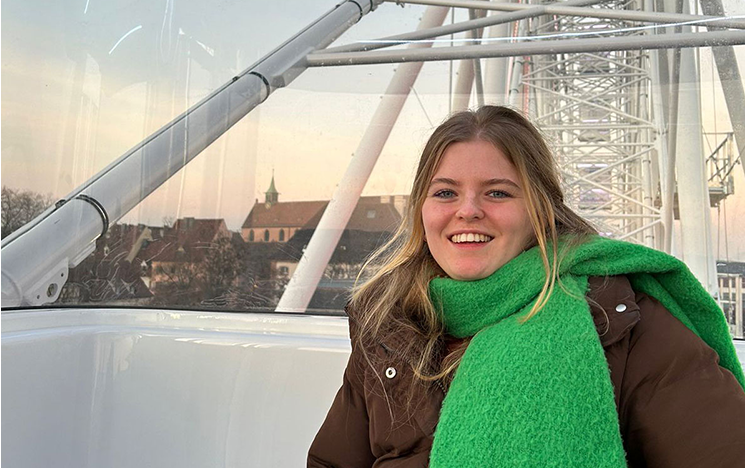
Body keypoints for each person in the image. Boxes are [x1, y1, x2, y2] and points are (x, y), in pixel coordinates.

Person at [307, 106, 745, 467]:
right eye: (445, 193)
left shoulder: (622, 318)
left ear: (540, 207)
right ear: (421, 209)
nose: (468, 211)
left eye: (497, 193)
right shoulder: (387, 323)